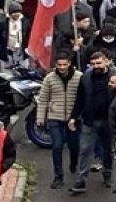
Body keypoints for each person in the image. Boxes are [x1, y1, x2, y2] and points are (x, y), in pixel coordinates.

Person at [70, 51, 116, 193]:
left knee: (108, 151)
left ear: (106, 61)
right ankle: (80, 182)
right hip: (90, 120)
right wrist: (73, 116)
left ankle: (108, 175)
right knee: (84, 150)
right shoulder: (86, 77)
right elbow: (80, 98)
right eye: (93, 64)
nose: (96, 66)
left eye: (99, 63)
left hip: (110, 121)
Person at [37, 54, 83, 189]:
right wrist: (40, 119)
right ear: (55, 65)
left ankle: (74, 164)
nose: (62, 67)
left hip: (73, 118)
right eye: (59, 65)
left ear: (69, 63)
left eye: (64, 64)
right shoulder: (49, 79)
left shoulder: (79, 77)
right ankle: (58, 176)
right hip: (54, 117)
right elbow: (43, 99)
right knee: (57, 146)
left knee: (74, 146)